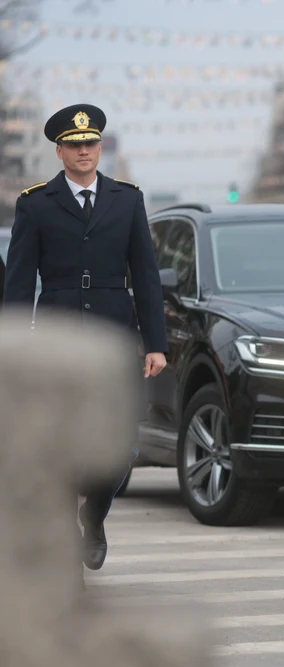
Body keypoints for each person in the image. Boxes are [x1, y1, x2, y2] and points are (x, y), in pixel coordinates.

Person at [3, 104, 168, 573]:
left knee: (120, 445)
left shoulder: (127, 199)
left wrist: (155, 342)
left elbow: (147, 276)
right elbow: (18, 282)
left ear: (100, 148)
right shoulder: (35, 203)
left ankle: (93, 514)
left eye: (91, 144)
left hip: (117, 336)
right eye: (75, 146)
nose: (84, 152)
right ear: (59, 151)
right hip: (54, 339)